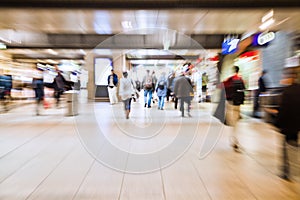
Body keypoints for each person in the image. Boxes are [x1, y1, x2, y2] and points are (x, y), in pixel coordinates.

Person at [276, 70, 300, 181]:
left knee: (286, 146)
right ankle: (295, 169)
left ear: (289, 78)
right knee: (294, 144)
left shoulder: (287, 92)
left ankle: (287, 171)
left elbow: (283, 109)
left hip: (289, 123)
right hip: (297, 123)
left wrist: (278, 123)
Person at [223, 66, 245, 151]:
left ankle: (233, 139)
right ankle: (234, 139)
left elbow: (222, 87)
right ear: (238, 71)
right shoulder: (240, 79)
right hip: (237, 104)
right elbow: (243, 91)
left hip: (229, 103)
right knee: (235, 123)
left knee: (231, 122)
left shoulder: (229, 79)